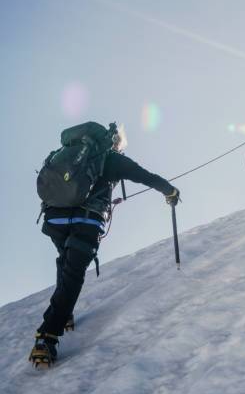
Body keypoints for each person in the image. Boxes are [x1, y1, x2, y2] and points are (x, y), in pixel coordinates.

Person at [30, 122, 179, 367]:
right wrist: (169, 191)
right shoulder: (111, 159)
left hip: (54, 218)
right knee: (73, 274)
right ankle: (47, 337)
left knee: (66, 264)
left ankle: (64, 314)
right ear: (116, 142)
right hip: (85, 220)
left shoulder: (70, 154)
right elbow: (145, 176)